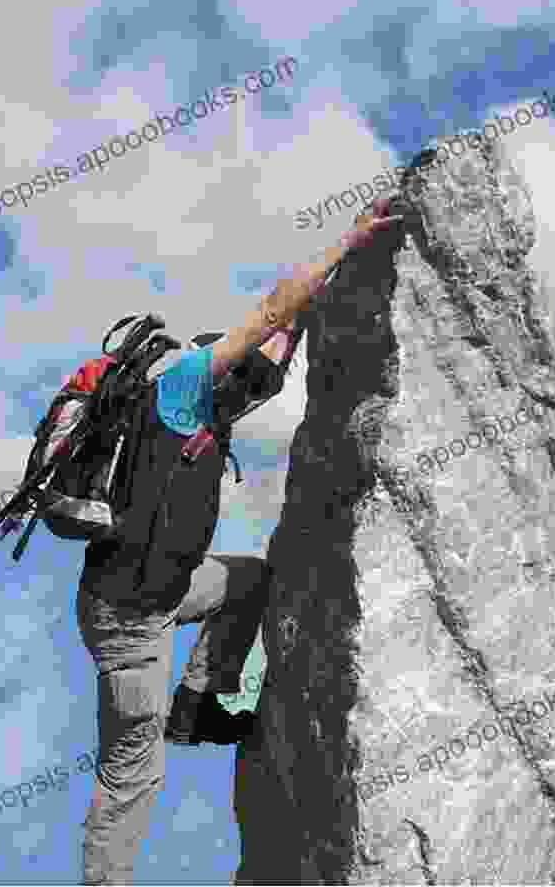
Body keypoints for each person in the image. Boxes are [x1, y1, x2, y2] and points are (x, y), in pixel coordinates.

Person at [77, 198, 403, 886]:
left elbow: (268, 358)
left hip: (164, 590)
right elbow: (270, 313)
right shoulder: (185, 384)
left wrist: (301, 330)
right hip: (127, 625)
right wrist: (348, 244)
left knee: (251, 578)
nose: (242, 388)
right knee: (132, 773)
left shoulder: (199, 401)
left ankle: (195, 705)